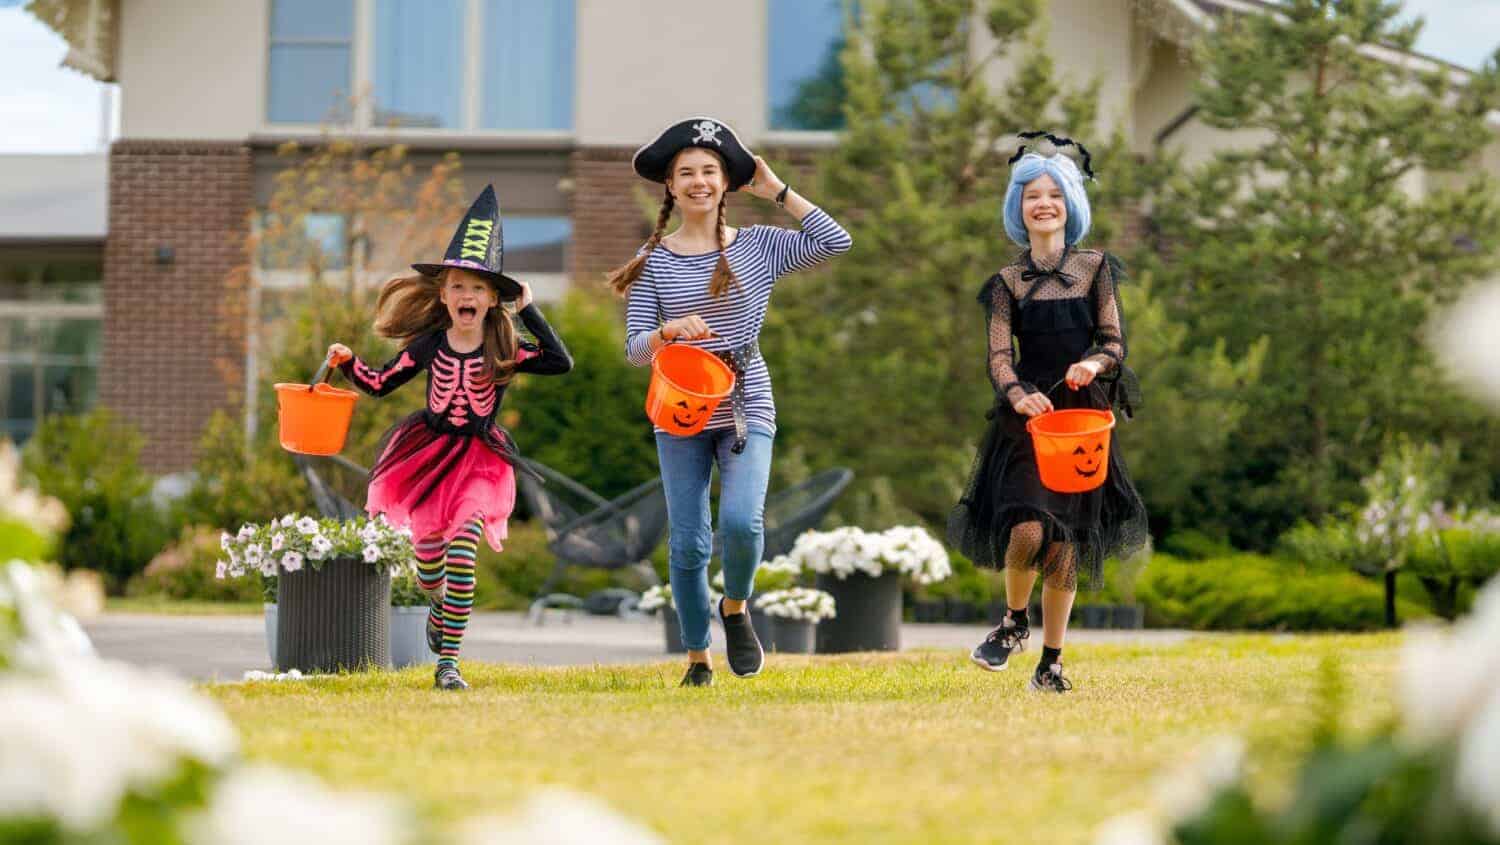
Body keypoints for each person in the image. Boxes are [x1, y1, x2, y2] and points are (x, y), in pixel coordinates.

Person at [611, 117, 852, 687]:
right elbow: (632, 349)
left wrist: (779, 192)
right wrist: (668, 332)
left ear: (725, 183)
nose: (698, 181)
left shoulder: (760, 246)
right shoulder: (653, 261)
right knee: (691, 541)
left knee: (742, 524)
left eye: (709, 171)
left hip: (746, 400)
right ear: (670, 187)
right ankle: (697, 657)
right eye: (686, 173)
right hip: (679, 411)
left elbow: (835, 241)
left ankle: (737, 608)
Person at [329, 185, 573, 691]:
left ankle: (448, 666)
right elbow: (378, 383)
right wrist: (348, 362)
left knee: (464, 552)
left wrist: (529, 310)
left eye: (479, 288)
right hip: (425, 458)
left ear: (492, 299)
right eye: (458, 286)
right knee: (429, 568)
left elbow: (559, 361)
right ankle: (437, 602)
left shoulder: (505, 344)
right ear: (443, 294)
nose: (467, 296)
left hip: (481, 459)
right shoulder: (428, 345)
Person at [948, 133, 1147, 693]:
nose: (1044, 204)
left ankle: (1051, 662)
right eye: (1032, 195)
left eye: (1054, 195)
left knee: (1066, 543)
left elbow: (1114, 342)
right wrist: (1015, 393)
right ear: (1019, 208)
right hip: (1027, 419)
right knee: (1028, 525)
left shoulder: (1096, 268)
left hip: (1082, 419)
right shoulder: (1007, 283)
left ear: (1070, 205)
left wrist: (1093, 363)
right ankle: (1013, 621)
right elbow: (997, 355)